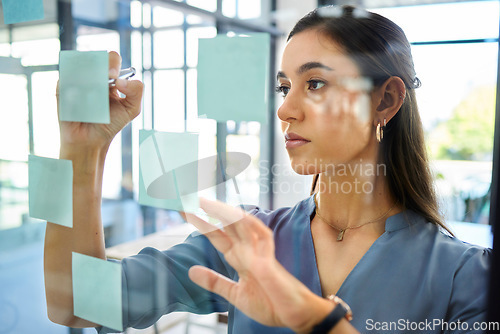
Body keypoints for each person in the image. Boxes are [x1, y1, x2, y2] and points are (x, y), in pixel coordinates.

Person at [44, 5, 491, 334]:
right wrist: (81, 151)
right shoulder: (251, 242)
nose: (286, 109)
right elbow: (75, 302)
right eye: (284, 86)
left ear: (385, 100)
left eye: (314, 83)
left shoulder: (464, 278)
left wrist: (320, 322)